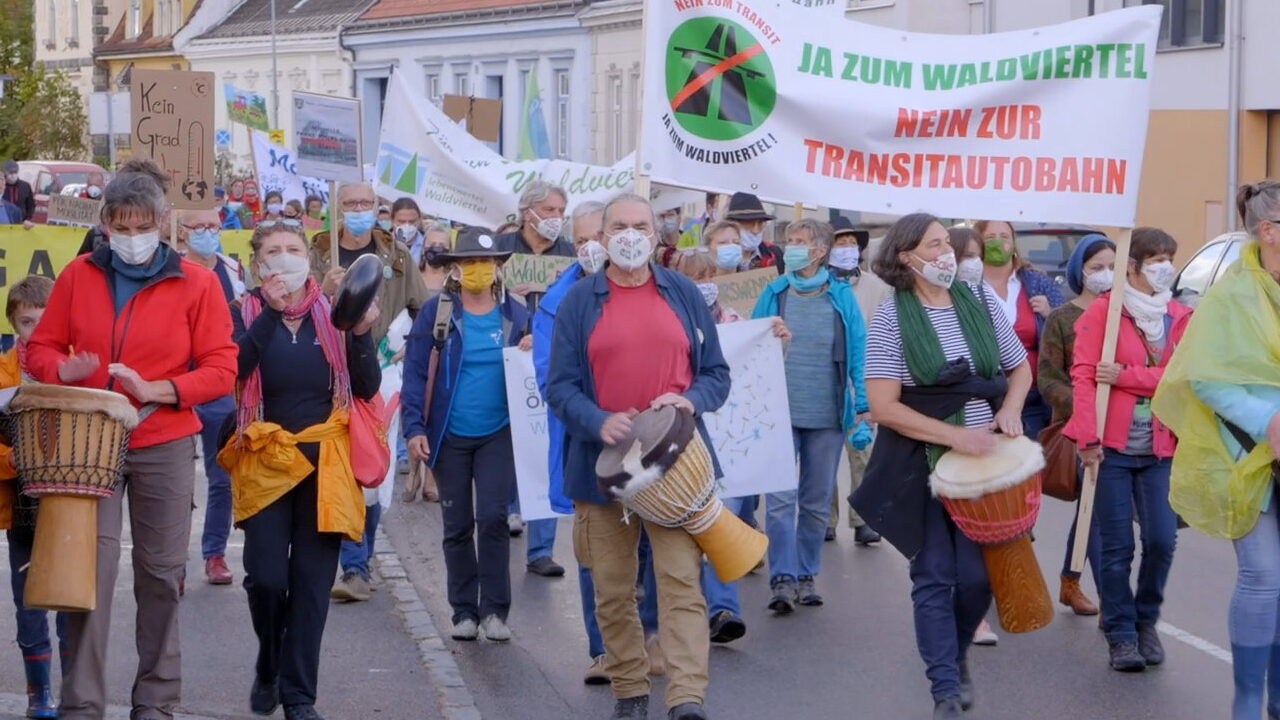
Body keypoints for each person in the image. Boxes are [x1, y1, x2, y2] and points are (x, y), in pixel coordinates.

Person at [25, 158, 238, 720]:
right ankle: (82, 704)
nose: (133, 237)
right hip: (87, 442)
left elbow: (221, 368)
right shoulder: (77, 277)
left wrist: (160, 389)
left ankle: (156, 701)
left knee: (162, 575)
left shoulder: (197, 282)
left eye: (143, 226)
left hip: (163, 440)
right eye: (122, 226)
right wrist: (61, 371)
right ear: (105, 225)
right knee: (87, 574)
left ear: (164, 223)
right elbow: (41, 349)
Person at [546, 192, 730, 720]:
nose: (630, 235)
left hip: (677, 467)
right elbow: (559, 387)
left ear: (656, 235)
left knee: (679, 582)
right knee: (612, 587)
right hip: (601, 470)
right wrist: (598, 420)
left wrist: (690, 400)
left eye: (640, 226)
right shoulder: (580, 301)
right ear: (602, 238)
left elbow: (716, 375)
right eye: (619, 226)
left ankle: (687, 697)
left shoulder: (683, 293)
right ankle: (630, 690)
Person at [854, 213, 1031, 720]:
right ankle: (945, 690)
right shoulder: (892, 317)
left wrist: (1011, 409)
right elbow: (884, 406)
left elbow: (1019, 368)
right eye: (933, 246)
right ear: (906, 257)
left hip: (984, 466)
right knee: (934, 574)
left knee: (977, 580)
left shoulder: (980, 305)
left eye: (946, 245)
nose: (946, 254)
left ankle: (954, 656)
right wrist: (955, 435)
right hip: (922, 460)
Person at [221, 222, 380, 720]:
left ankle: (299, 697)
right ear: (257, 264)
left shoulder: (335, 314)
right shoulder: (240, 313)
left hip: (325, 462)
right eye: (273, 251)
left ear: (309, 261)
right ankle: (269, 661)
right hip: (266, 459)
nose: (284, 258)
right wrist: (268, 313)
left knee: (311, 587)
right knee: (266, 579)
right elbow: (236, 368)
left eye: (293, 250)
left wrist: (359, 332)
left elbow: (367, 385)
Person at [1153, 181, 1280, 720]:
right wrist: (1270, 421)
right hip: (1248, 456)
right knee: (1264, 577)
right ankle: (1248, 700)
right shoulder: (1231, 294)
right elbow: (1207, 380)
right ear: (1269, 231)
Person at [1065, 227, 1190, 673]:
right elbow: (1083, 373)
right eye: (1155, 259)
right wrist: (1087, 437)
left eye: (1169, 257)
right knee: (1116, 547)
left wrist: (1123, 375)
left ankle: (1146, 619)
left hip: (1160, 447)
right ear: (1131, 266)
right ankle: (1120, 633)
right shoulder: (1105, 312)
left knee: (1162, 540)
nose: (1165, 267)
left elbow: (1180, 378)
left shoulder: (1180, 316)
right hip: (1111, 449)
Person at [401, 226, 528, 642]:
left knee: (492, 518)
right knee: (456, 525)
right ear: (455, 268)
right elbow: (416, 372)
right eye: (470, 262)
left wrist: (533, 352)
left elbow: (540, 369)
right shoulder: (436, 312)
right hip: (449, 435)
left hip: (499, 433)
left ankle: (495, 611)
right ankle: (463, 612)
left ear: (498, 268)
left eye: (487, 262)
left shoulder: (516, 313)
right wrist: (414, 428)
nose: (479, 269)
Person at [311, 182, 427, 602]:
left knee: (371, 469)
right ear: (338, 209)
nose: (359, 209)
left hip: (379, 375)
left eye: (366, 203)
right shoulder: (320, 252)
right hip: (329, 372)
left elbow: (422, 308)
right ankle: (354, 565)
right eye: (351, 203)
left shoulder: (396, 255)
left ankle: (363, 555)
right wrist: (322, 289)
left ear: (377, 208)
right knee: (341, 465)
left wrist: (409, 346)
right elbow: (296, 305)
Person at [752, 219, 865, 612]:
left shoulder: (841, 295)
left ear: (820, 251)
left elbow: (858, 350)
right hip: (779, 415)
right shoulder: (774, 292)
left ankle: (806, 573)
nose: (791, 249)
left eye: (800, 242)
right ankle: (782, 577)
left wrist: (862, 406)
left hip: (827, 415)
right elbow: (752, 343)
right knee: (781, 502)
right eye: (789, 242)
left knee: (815, 502)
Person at [1037, 234, 1114, 616]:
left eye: (1113, 267)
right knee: (1096, 511)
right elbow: (1048, 379)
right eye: (1097, 267)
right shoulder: (1062, 318)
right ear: (1079, 271)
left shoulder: (1123, 316)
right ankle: (1090, 588)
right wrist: (1085, 407)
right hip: (1081, 429)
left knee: (1104, 512)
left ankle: (1078, 579)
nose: (1106, 274)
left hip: (1123, 428)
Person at [1, 275, 66, 720]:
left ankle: (78, 687)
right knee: (28, 601)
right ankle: (37, 692)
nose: (36, 331)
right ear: (12, 323)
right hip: (21, 503)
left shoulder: (72, 366)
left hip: (69, 501)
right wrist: (16, 462)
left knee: (73, 598)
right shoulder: (3, 373)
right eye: (27, 322)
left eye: (45, 322)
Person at [177, 208, 247, 586]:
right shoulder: (168, 269)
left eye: (213, 227)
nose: (207, 233)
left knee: (221, 476)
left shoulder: (234, 272)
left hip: (219, 386)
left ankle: (215, 554)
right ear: (182, 232)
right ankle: (174, 563)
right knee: (174, 480)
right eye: (198, 226)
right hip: (173, 386)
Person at [826, 216, 885, 546]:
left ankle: (863, 519)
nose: (847, 249)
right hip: (826, 381)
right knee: (824, 457)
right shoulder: (818, 285)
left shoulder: (877, 287)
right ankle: (825, 518)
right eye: (839, 242)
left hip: (862, 383)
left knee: (862, 453)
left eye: (851, 243)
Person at [976, 220, 1063, 439]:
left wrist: (1048, 313)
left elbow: (1066, 329)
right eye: (990, 238)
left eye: (1004, 237)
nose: (998, 242)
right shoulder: (967, 284)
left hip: (1034, 395)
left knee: (1030, 462)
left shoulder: (1036, 282)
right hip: (984, 395)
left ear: (1014, 243)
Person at [494, 180, 574, 259]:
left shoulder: (572, 254)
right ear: (527, 214)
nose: (557, 216)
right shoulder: (497, 247)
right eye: (549, 209)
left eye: (561, 211)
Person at [724, 192, 783, 273]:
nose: (755, 230)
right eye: (748, 223)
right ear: (732, 225)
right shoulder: (722, 256)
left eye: (760, 223)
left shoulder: (774, 253)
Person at [391, 197, 427, 265]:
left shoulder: (427, 245)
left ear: (419, 219)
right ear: (392, 220)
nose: (407, 225)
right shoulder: (383, 244)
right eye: (402, 222)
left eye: (412, 221)